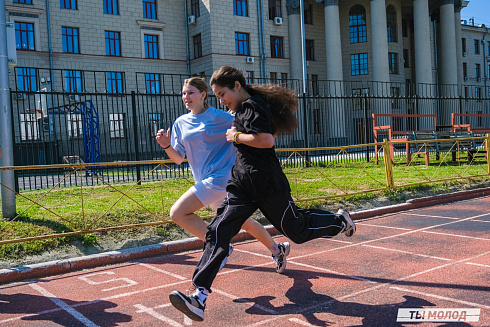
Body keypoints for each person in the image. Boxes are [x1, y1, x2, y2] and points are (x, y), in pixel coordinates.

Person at [169, 67, 356, 322]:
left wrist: (236, 135)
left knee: (297, 231)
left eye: (222, 94)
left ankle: (339, 221)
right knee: (218, 231)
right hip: (241, 183)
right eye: (217, 96)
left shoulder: (252, 106)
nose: (221, 101)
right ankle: (198, 296)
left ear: (236, 86)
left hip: (267, 184)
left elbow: (266, 140)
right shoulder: (241, 109)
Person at [155, 77, 290, 274]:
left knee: (178, 213)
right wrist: (166, 145)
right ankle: (277, 250)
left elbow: (257, 131)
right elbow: (177, 158)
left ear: (203, 95)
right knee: (243, 221)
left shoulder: (223, 117)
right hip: (206, 181)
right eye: (183, 93)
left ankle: (220, 246)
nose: (186, 97)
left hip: (222, 178)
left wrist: (267, 136)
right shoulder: (180, 123)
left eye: (190, 92)